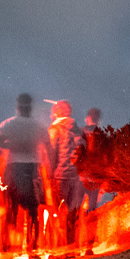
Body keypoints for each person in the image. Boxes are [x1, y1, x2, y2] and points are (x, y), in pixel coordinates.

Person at [0, 93, 50, 259]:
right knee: (33, 210)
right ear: (30, 107)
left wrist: (12, 145)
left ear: (18, 107)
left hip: (14, 167)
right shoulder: (39, 126)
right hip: (34, 167)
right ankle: (32, 249)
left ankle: (7, 250)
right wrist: (51, 168)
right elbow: (48, 146)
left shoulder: (8, 124)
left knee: (11, 208)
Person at [48, 100, 84, 248]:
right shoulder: (77, 128)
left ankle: (58, 244)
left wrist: (49, 174)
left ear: (57, 112)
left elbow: (52, 152)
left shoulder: (55, 128)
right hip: (75, 175)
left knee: (57, 211)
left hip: (60, 174)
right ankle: (72, 243)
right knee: (73, 211)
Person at [82, 107, 104, 213]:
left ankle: (75, 224)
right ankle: (89, 220)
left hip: (83, 172)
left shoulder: (82, 131)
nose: (85, 120)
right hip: (97, 172)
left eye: (86, 117)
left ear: (89, 117)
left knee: (77, 200)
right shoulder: (102, 134)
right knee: (92, 203)